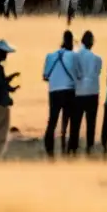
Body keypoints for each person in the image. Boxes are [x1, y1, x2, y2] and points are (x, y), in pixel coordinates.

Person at [42, 30, 79, 158]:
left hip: (54, 91)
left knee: (52, 121)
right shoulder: (74, 56)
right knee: (71, 120)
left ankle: (49, 149)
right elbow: (79, 75)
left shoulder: (50, 56)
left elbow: (45, 76)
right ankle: (68, 147)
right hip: (69, 90)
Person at [73, 30, 102, 155]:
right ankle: (90, 145)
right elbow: (97, 72)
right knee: (91, 121)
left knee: (76, 121)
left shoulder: (75, 56)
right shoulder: (97, 58)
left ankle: (73, 145)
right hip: (92, 91)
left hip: (78, 92)